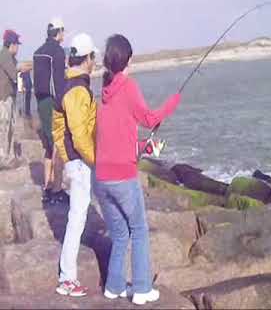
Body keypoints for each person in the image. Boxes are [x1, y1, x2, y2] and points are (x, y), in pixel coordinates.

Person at [95, 34, 181, 305]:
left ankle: (114, 286)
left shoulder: (104, 93)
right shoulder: (128, 86)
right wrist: (173, 102)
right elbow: (149, 118)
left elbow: (118, 133)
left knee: (120, 235)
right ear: (128, 59)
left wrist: (143, 145)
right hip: (122, 177)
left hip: (101, 179)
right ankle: (142, 288)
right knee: (139, 230)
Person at [51, 33, 98, 297]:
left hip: (73, 161)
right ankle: (67, 278)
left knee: (77, 215)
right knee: (77, 218)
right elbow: (80, 137)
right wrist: (97, 161)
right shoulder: (78, 90)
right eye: (93, 57)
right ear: (88, 58)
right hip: (80, 162)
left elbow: (61, 131)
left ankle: (67, 276)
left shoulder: (69, 85)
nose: (94, 62)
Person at [33, 17, 68, 204]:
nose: (64, 34)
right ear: (59, 32)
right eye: (63, 31)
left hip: (40, 102)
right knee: (58, 145)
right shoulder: (57, 52)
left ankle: (47, 186)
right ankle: (56, 189)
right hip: (53, 103)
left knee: (48, 145)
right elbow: (58, 82)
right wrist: (63, 106)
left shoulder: (38, 53)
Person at [0, 30, 30, 169]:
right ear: (11, 44)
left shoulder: (9, 57)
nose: (18, 47)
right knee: (4, 128)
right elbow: (13, 73)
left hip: (8, 97)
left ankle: (8, 157)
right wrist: (23, 69)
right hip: (3, 98)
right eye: (17, 44)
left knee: (10, 127)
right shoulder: (5, 56)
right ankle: (3, 159)